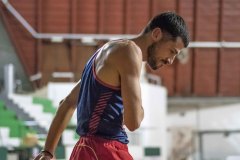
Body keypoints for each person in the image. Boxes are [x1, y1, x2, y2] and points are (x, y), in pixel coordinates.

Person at [34, 11, 189, 160]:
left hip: (85, 150)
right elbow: (133, 122)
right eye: (172, 51)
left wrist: (48, 151)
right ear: (156, 34)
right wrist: (139, 109)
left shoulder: (105, 51)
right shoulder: (130, 52)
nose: (170, 60)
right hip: (104, 150)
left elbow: (67, 103)